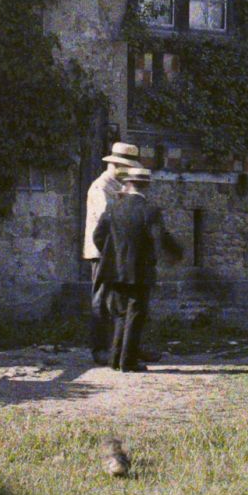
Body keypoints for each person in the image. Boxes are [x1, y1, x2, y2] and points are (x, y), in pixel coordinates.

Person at [90, 165, 182, 372]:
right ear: (146, 186)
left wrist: (112, 255)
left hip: (114, 271)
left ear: (127, 183)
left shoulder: (113, 208)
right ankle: (128, 361)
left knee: (120, 315)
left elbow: (98, 236)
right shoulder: (150, 211)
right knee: (136, 314)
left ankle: (115, 359)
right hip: (139, 271)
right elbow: (159, 239)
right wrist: (174, 253)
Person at [83, 141, 142, 364]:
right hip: (103, 251)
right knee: (101, 300)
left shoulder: (119, 186)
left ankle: (126, 348)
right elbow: (107, 222)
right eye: (127, 167)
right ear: (116, 165)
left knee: (123, 302)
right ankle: (100, 349)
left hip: (118, 251)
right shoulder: (102, 187)